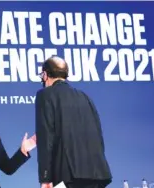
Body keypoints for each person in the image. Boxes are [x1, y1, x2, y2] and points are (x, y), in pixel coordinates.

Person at [35, 56, 112, 188]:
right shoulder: (85, 97)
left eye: (42, 75)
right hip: (97, 174)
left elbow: (46, 137)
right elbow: (98, 135)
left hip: (68, 176)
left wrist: (46, 177)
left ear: (46, 75)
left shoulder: (45, 95)